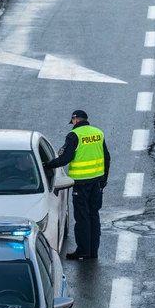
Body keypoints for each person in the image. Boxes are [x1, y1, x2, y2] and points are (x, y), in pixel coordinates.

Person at [44, 110, 110, 260]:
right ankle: (93, 251)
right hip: (96, 183)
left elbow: (65, 158)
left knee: (82, 218)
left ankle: (83, 251)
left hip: (80, 184)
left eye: (72, 121)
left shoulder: (74, 135)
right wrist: (103, 180)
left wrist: (48, 165)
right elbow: (107, 157)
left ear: (75, 119)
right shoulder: (98, 133)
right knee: (94, 216)